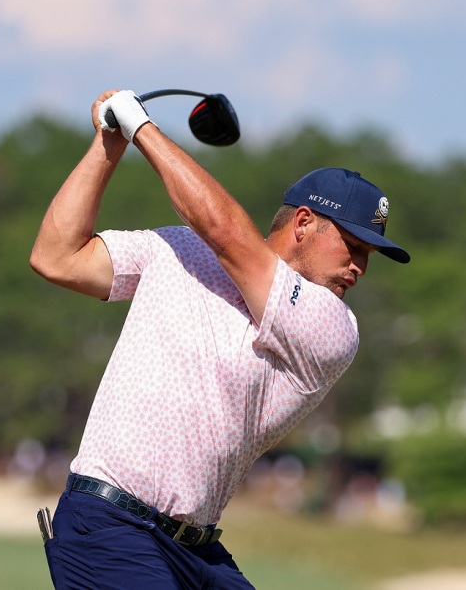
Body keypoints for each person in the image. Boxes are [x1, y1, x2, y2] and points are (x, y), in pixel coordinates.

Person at [29, 89, 410, 589]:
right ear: (303, 223)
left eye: (368, 257)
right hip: (108, 525)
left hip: (195, 548)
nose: (359, 268)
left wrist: (143, 128)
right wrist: (110, 142)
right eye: (353, 247)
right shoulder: (178, 249)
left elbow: (225, 232)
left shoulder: (332, 327)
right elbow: (57, 257)